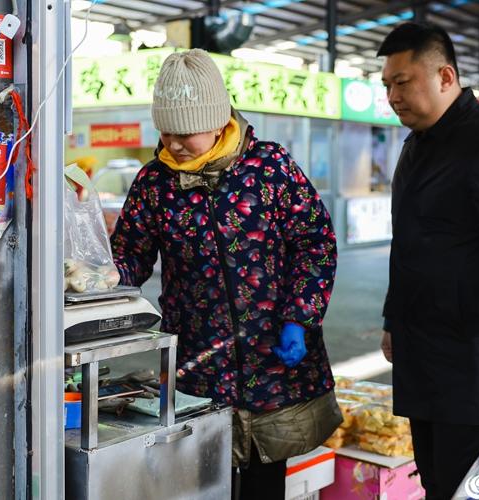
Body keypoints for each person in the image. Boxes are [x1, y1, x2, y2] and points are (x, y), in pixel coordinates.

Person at [110, 49, 342, 499]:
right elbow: (130, 257)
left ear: (218, 121)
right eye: (166, 131)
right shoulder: (154, 183)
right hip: (199, 364)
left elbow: (315, 242)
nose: (174, 144)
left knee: (262, 480)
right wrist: (94, 277)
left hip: (274, 357)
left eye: (187, 132)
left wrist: (300, 317)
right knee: (200, 480)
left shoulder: (269, 168)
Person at [377, 22, 479, 499]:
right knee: (433, 482)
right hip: (421, 353)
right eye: (386, 84)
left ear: (445, 77)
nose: (392, 95)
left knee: (468, 487)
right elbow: (409, 243)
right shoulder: (416, 145)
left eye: (402, 82)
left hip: (472, 364)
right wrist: (394, 318)